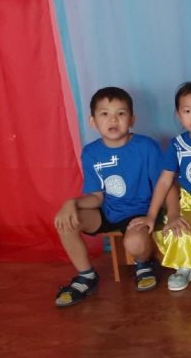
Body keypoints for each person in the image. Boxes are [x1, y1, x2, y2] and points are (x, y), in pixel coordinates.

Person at [53, 87, 162, 307]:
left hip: (140, 212)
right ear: (92, 121)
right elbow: (96, 196)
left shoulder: (146, 147)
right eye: (104, 114)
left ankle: (143, 264)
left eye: (121, 113)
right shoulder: (91, 152)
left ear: (132, 119)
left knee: (134, 242)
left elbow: (164, 185)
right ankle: (86, 276)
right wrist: (71, 203)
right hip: (108, 210)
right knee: (65, 221)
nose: (113, 119)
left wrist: (153, 215)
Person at [128, 82, 191, 291]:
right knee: (179, 227)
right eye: (187, 111)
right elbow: (165, 181)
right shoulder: (177, 145)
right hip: (188, 202)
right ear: (178, 115)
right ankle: (185, 266)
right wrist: (151, 215)